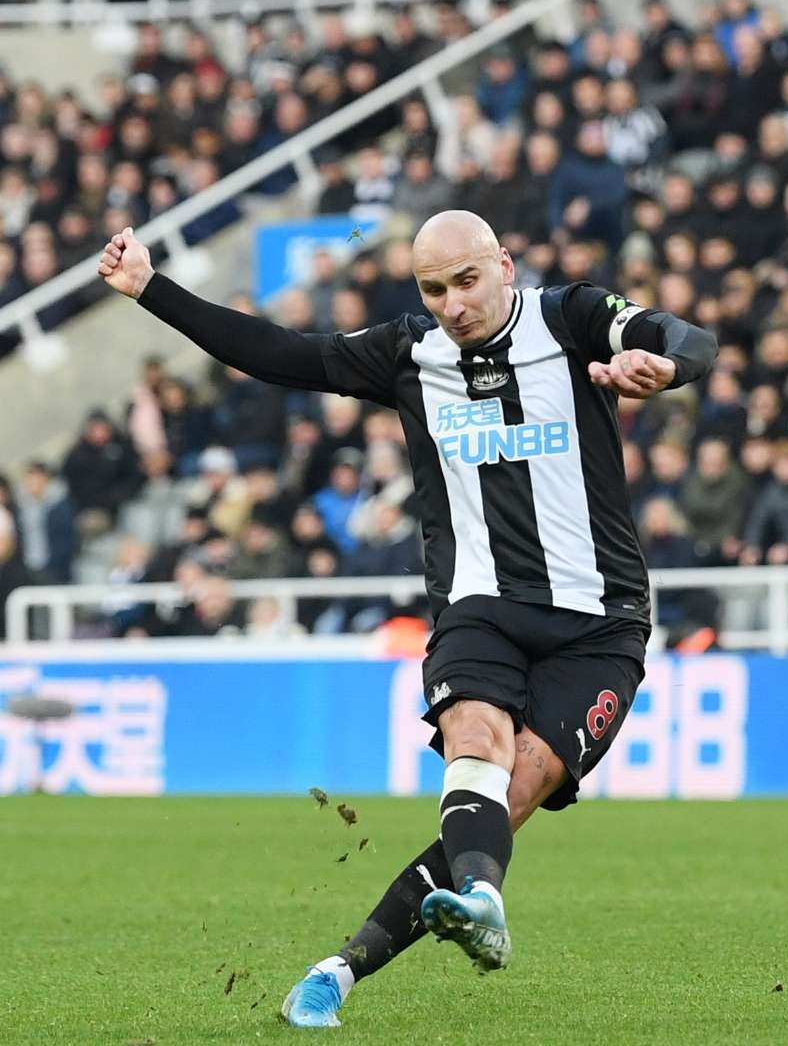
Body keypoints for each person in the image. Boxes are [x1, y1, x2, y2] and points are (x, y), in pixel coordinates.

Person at [97, 210, 717, 1027]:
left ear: (504, 263)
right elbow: (279, 354)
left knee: (515, 792)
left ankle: (343, 967)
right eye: (433, 290)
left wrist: (661, 367)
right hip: (479, 606)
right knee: (476, 744)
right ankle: (482, 905)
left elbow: (690, 338)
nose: (452, 305)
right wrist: (151, 289)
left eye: (466, 282)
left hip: (602, 623)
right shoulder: (407, 353)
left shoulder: (572, 319)